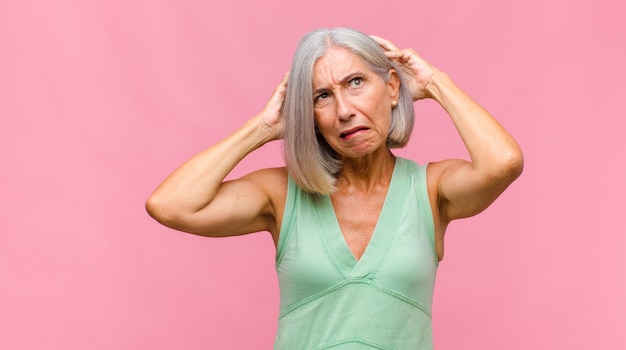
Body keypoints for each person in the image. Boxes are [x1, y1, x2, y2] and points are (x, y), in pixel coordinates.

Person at [146, 27, 523, 349]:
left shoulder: (431, 188)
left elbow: (502, 162)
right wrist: (262, 127)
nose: (343, 110)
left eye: (355, 83)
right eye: (321, 96)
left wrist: (434, 84)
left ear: (392, 87)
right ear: (308, 115)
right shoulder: (280, 193)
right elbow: (171, 205)